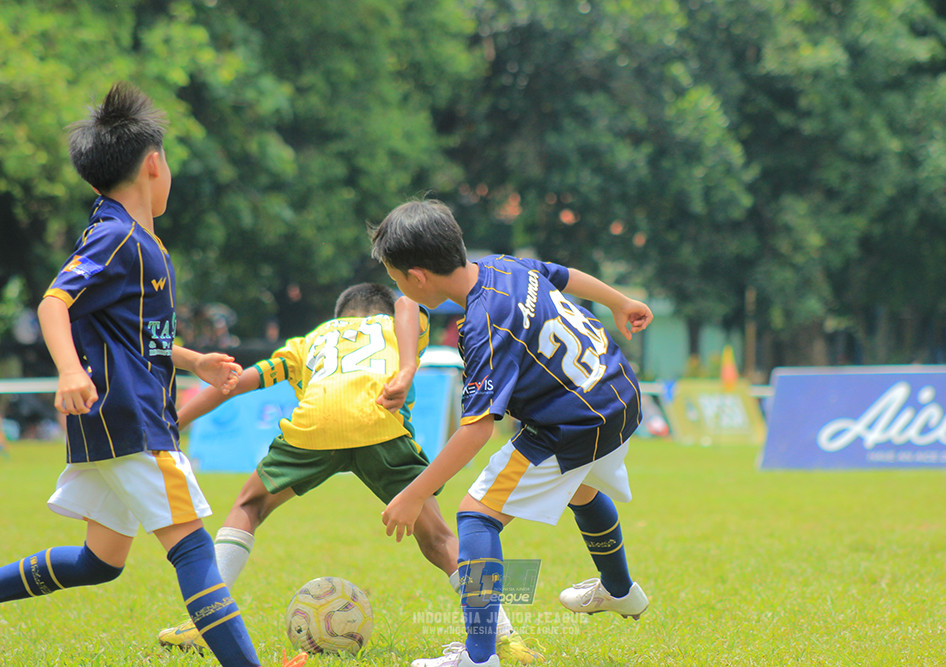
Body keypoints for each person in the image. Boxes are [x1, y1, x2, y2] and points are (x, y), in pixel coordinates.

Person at [0, 82, 305, 667]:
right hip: (133, 422)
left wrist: (194, 362)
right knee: (192, 549)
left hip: (112, 426)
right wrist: (67, 369)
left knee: (100, 561)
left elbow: (142, 337)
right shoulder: (115, 236)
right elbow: (52, 303)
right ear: (154, 164)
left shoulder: (143, 245)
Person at [157, 283, 541, 664]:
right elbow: (409, 305)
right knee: (440, 540)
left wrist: (172, 423)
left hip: (315, 426)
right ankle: (505, 637)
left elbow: (231, 384)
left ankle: (203, 622)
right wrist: (407, 361)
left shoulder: (310, 340)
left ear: (339, 316)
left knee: (249, 505)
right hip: (381, 426)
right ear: (383, 312)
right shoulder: (398, 325)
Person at [370, 199, 653, 667]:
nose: (398, 287)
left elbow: (477, 430)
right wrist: (619, 301)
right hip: (619, 392)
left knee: (476, 517)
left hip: (575, 421)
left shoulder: (482, 323)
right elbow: (561, 274)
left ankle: (479, 657)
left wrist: (415, 494)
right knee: (579, 487)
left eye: (397, 277)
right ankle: (621, 591)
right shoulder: (500, 266)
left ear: (418, 275)